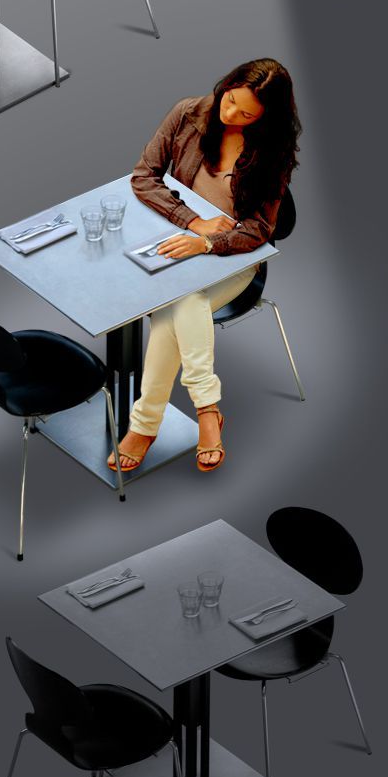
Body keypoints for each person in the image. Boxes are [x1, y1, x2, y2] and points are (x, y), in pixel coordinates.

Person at [109, 58, 299, 474]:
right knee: (181, 302)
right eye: (230, 101)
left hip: (235, 257)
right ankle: (207, 414)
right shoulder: (188, 114)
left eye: (247, 114)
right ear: (227, 85)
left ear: (267, 117)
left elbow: (261, 229)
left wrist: (209, 242)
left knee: (176, 306)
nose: (230, 115)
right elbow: (144, 178)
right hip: (183, 242)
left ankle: (147, 425)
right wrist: (193, 225)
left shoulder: (274, 152)